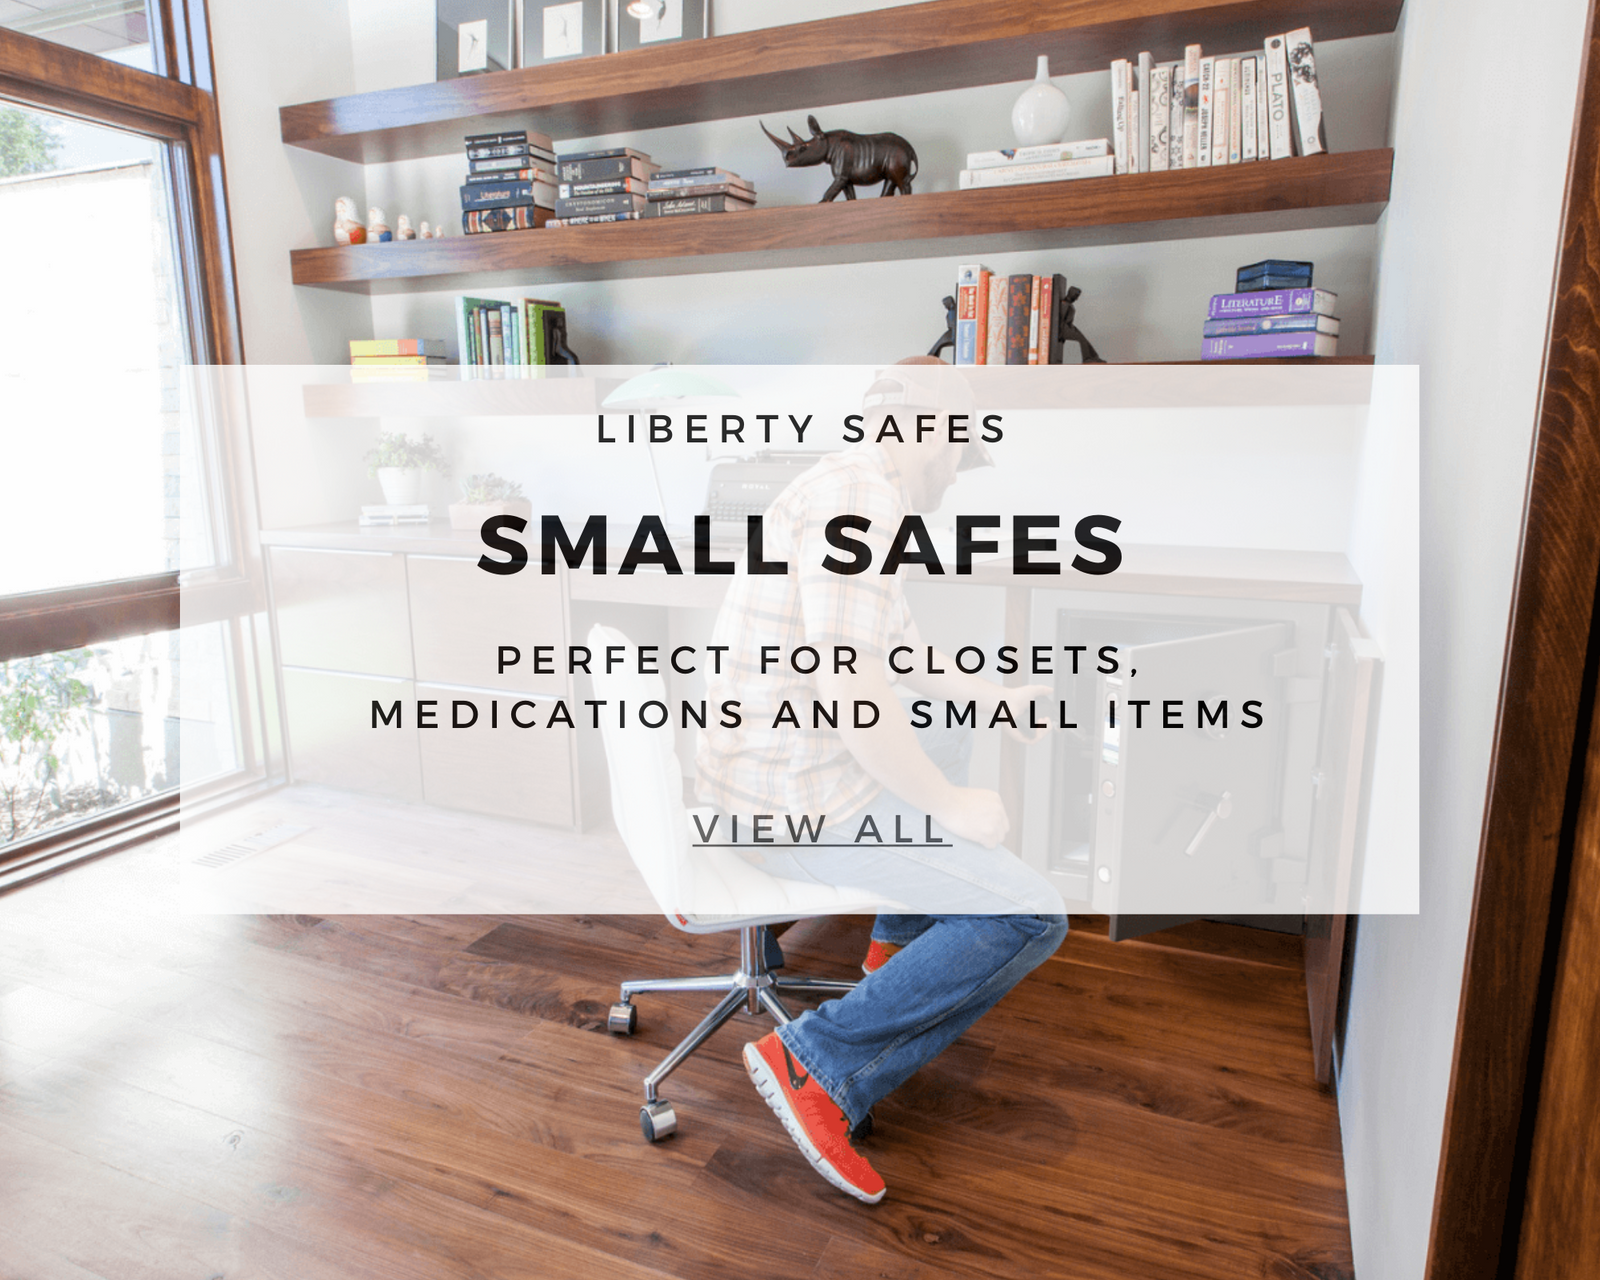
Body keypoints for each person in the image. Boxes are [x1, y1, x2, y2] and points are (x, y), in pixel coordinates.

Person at [695, 358, 1069, 1204]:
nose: (957, 473)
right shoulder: (860, 502)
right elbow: (850, 683)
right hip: (787, 806)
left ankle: (894, 950)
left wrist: (987, 692)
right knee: (1030, 913)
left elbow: (898, 651)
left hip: (761, 776)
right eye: (960, 452)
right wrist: (947, 804)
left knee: (950, 720)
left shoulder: (847, 484)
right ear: (929, 432)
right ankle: (818, 1062)